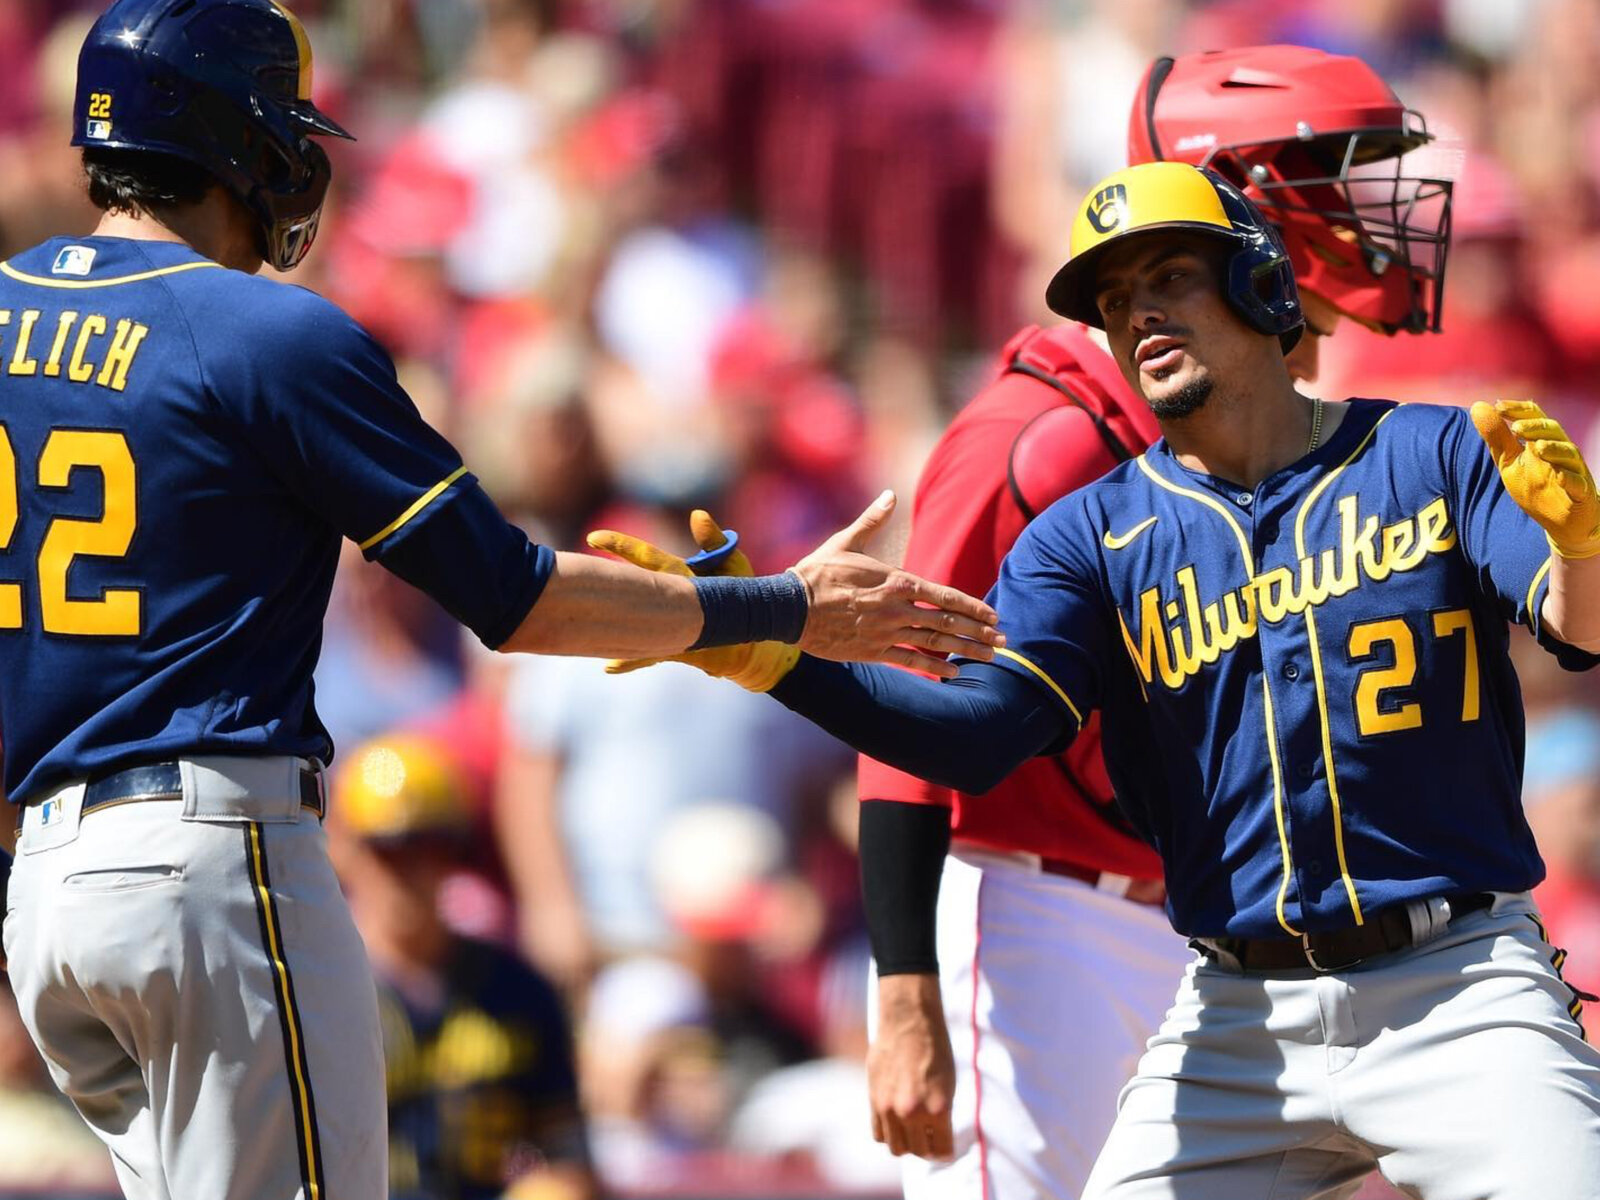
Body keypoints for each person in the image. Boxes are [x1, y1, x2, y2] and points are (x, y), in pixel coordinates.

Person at [0, 4, 1000, 1199]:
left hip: (47, 897)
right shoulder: (265, 333)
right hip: (205, 859)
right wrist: (780, 610)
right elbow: (516, 599)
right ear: (232, 138)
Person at [600, 160, 1600, 1198]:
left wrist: (1581, 549)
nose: (1140, 314)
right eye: (1117, 302)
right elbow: (974, 734)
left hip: (1458, 983)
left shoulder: (1428, 453)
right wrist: (769, 655)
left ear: (1263, 286)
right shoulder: (1087, 536)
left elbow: (1582, 633)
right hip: (1235, 1016)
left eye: (1170, 277)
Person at [858, 45, 1456, 1200]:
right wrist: (900, 992)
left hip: (1194, 935)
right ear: (1234, 198)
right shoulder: (1043, 434)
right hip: (1032, 919)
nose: (1364, 208)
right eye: (1328, 176)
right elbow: (906, 708)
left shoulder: (1257, 435)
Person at [330, 734, 597, 1200]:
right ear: (346, 850)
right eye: (388, 849)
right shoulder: (315, 991)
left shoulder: (517, 990)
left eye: (432, 847)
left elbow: (565, 1156)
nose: (411, 870)